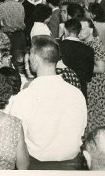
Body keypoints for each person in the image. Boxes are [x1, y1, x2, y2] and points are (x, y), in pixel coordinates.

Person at [9, 36, 87, 169]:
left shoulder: (25, 96)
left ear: (34, 59)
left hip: (36, 165)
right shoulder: (76, 94)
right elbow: (81, 131)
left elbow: (14, 140)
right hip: (72, 166)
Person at [61, 17, 95, 96]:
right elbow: (88, 77)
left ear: (65, 30)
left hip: (62, 91)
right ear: (79, 32)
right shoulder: (88, 50)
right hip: (80, 90)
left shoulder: (58, 46)